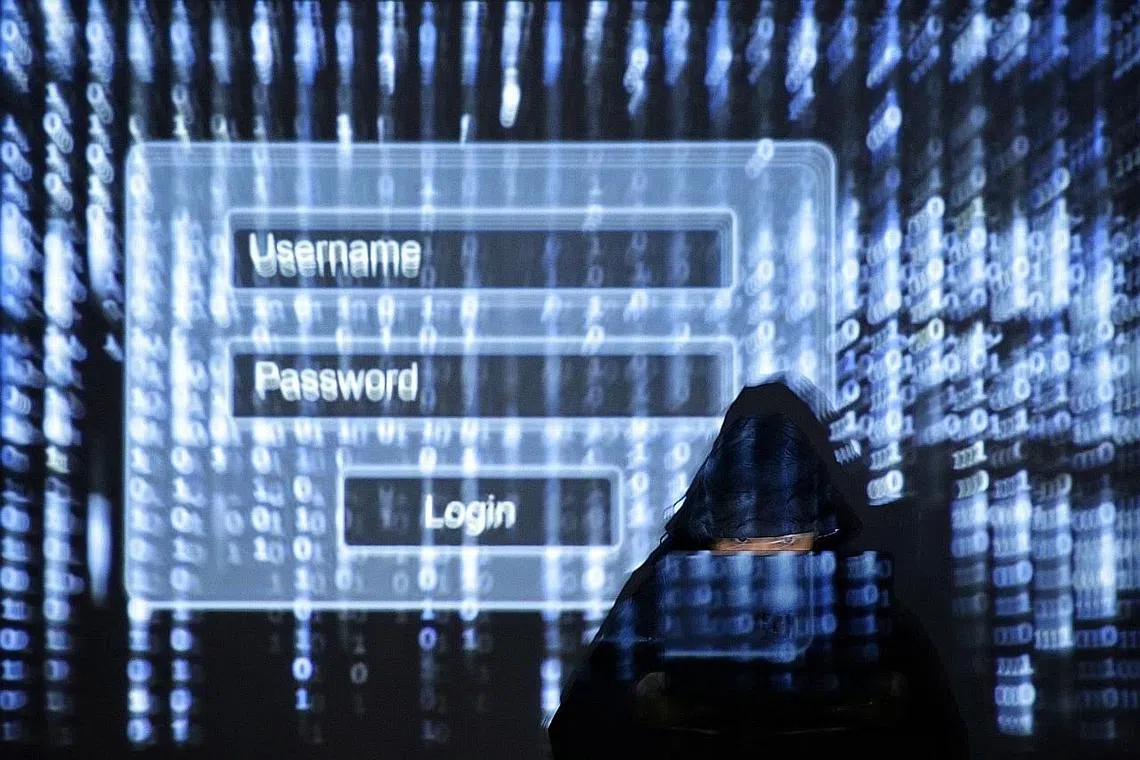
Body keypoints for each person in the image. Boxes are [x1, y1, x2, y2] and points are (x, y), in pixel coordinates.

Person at [547, 377, 969, 759]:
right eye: (741, 542)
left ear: (818, 535)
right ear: (710, 539)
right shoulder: (658, 605)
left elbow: (940, 738)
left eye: (785, 542)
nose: (764, 562)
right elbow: (578, 732)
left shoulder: (865, 608)